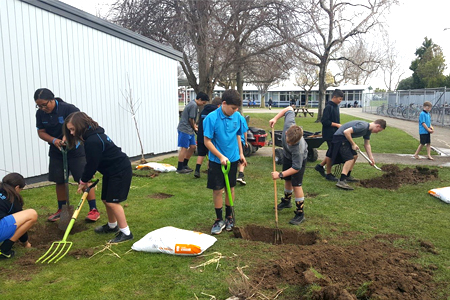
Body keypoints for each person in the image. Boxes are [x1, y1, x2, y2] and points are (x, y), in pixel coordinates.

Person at [64, 112, 133, 243]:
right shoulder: (93, 136)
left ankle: (126, 232)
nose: (71, 133)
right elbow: (96, 160)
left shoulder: (93, 141)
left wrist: (83, 181)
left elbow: (91, 164)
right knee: (106, 199)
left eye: (72, 129)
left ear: (80, 126)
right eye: (69, 130)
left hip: (119, 171)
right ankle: (112, 226)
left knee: (113, 201)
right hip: (110, 171)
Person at [34, 88, 100, 222]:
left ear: (52, 100)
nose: (42, 108)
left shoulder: (69, 109)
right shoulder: (40, 114)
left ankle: (93, 210)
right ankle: (62, 210)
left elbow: (78, 126)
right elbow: (41, 131)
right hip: (56, 150)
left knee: (84, 178)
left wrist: (68, 138)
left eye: (44, 104)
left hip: (75, 150)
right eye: (39, 106)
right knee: (59, 180)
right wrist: (54, 140)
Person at [203, 89, 246, 235]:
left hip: (233, 158)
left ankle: (229, 217)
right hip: (217, 160)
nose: (235, 111)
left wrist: (240, 153)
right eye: (233, 108)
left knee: (231, 188)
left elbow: (238, 135)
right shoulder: (211, 118)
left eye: (237, 108)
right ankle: (218, 219)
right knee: (218, 190)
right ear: (224, 103)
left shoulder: (237, 116)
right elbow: (207, 141)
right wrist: (220, 156)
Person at [269, 106, 308, 225]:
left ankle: (300, 213)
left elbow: (296, 168)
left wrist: (279, 174)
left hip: (298, 161)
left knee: (296, 185)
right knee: (287, 180)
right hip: (287, 155)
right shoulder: (289, 125)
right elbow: (289, 108)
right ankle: (286, 201)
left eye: (292, 143)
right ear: (286, 132)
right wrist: (275, 118)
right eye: (289, 142)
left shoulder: (298, 149)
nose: (290, 144)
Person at [331, 119, 387, 190]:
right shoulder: (363, 126)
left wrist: (371, 158)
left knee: (355, 156)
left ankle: (347, 176)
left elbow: (367, 144)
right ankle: (341, 181)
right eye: (379, 130)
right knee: (350, 159)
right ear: (378, 126)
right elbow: (346, 132)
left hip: (345, 138)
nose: (377, 133)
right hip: (339, 138)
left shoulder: (368, 131)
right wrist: (353, 144)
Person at [0, 173, 38, 259]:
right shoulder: (13, 200)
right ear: (17, 187)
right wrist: (26, 243)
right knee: (32, 214)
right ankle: (4, 250)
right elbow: (20, 224)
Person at [314, 89, 344, 181]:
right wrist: (337, 125)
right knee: (331, 153)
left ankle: (320, 166)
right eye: (339, 99)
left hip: (336, 133)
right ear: (334, 97)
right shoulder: (328, 107)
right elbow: (324, 121)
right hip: (329, 134)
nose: (340, 101)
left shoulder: (336, 106)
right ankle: (328, 173)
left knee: (331, 151)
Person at [177, 92, 209, 174]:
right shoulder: (193, 105)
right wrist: (194, 127)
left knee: (193, 146)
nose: (203, 104)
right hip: (185, 129)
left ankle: (185, 164)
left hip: (189, 129)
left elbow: (192, 119)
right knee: (184, 147)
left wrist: (194, 126)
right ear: (200, 99)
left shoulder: (193, 104)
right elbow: (191, 119)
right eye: (203, 102)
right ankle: (180, 168)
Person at [194, 96, 222, 178]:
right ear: (219, 105)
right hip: (209, 136)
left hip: (200, 135)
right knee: (211, 154)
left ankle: (197, 170)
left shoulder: (203, 110)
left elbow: (199, 122)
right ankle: (210, 171)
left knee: (201, 154)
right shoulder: (216, 112)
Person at [236, 115, 249, 185]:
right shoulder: (241, 118)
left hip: (233, 141)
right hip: (240, 141)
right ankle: (240, 175)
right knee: (242, 159)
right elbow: (245, 131)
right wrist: (246, 141)